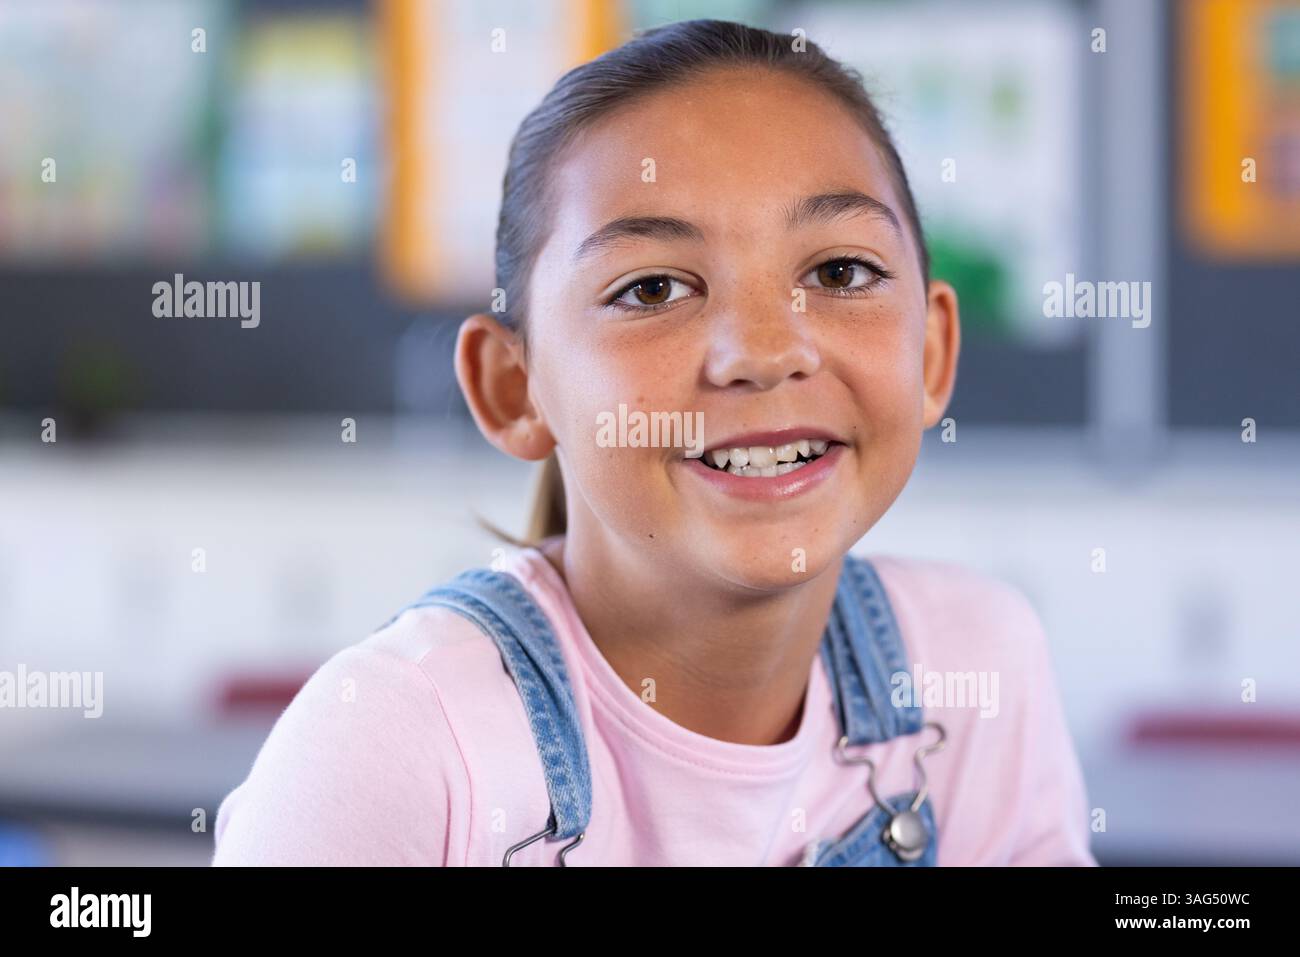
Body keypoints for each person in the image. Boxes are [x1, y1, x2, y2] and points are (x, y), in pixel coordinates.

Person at [212, 18, 1096, 867]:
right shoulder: (399, 745)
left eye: (839, 272)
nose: (764, 351)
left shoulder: (975, 665)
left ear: (933, 351)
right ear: (514, 387)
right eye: (653, 289)